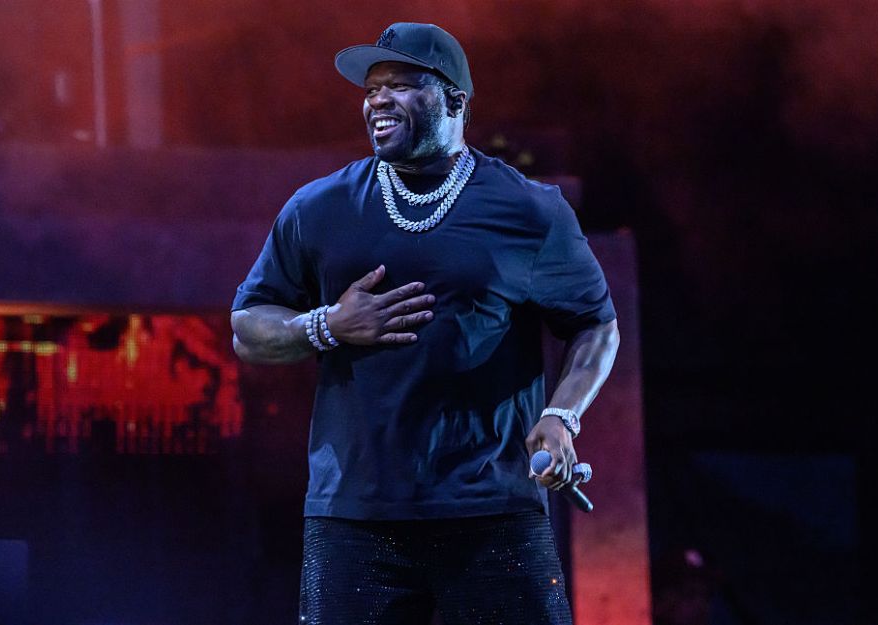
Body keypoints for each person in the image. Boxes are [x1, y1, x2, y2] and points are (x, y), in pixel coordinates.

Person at [231, 22, 620, 625]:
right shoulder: (319, 208)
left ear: (456, 102)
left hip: (490, 509)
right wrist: (327, 325)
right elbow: (248, 326)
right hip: (355, 517)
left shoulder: (528, 209)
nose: (377, 99)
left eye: (402, 85)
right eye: (371, 88)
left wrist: (562, 415)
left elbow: (597, 324)